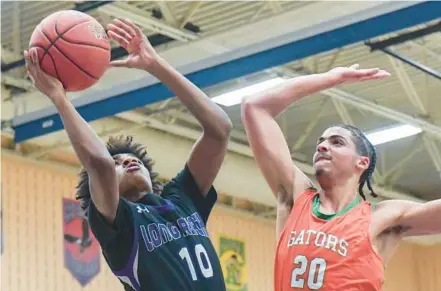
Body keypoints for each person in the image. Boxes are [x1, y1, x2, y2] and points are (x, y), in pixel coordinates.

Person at [24, 18, 232, 291]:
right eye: (118, 163)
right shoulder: (119, 226)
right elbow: (99, 164)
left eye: (132, 160)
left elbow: (220, 129)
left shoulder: (182, 199)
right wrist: (59, 98)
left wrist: (156, 65)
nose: (128, 161)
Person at [241, 65, 441, 290]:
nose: (323, 146)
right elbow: (254, 107)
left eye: (336, 142)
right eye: (321, 142)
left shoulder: (384, 217)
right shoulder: (295, 197)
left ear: (362, 162)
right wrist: (330, 79)